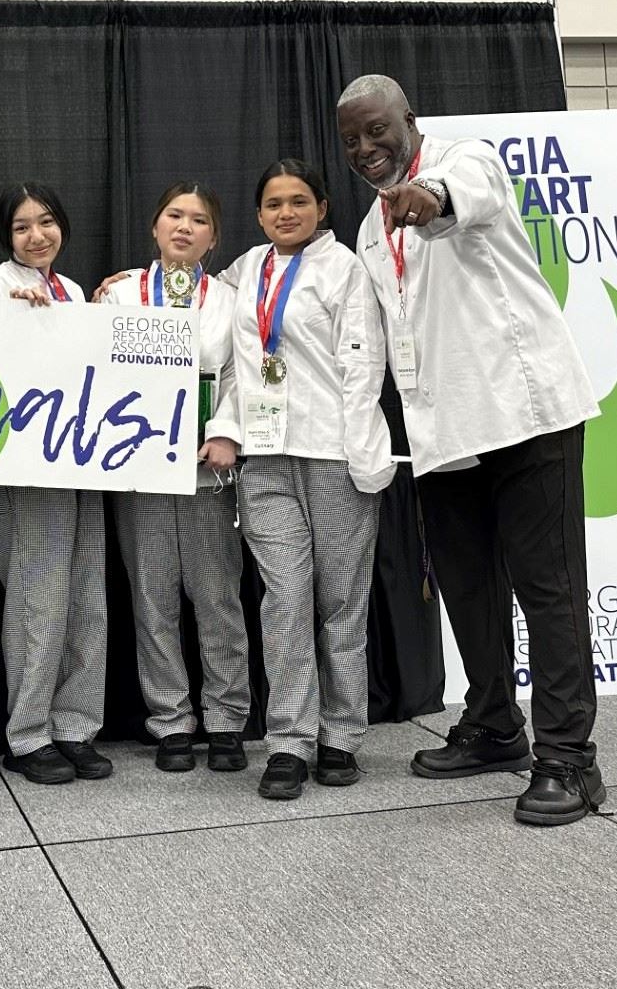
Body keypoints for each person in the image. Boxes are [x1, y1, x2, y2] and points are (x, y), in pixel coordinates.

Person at [339, 73, 604, 826]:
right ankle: (492, 725)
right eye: (350, 140)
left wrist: (430, 201)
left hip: (524, 415)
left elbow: (461, 195)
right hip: (442, 433)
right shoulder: (365, 231)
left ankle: (569, 760)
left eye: (375, 131)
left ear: (409, 121)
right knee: (468, 589)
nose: (364, 149)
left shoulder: (467, 159)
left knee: (546, 590)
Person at [223, 159, 394, 800]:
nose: (285, 213)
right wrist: (128, 283)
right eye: (272, 203)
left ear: (322, 207)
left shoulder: (345, 269)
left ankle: (342, 737)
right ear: (259, 213)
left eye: (298, 201)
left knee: (341, 610)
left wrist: (359, 454)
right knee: (284, 605)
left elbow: (363, 365)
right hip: (264, 460)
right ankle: (290, 741)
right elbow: (200, 308)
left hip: (334, 458)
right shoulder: (245, 270)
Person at [100, 182, 250, 775]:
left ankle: (228, 720)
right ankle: (170, 721)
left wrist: (227, 432)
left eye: (198, 220)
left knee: (218, 601)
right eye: (173, 216)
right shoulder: (118, 296)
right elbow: (93, 368)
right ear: (155, 228)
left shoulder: (231, 300)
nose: (184, 227)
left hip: (208, 472)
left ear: (213, 238)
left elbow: (242, 374)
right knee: (152, 601)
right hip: (140, 476)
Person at [0, 183, 111, 784]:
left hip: (75, 465)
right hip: (24, 473)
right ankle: (27, 734)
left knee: (86, 599)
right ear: (7, 237)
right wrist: (13, 323)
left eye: (47, 222)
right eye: (23, 227)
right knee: (36, 606)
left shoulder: (71, 289)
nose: (38, 236)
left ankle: (75, 724)